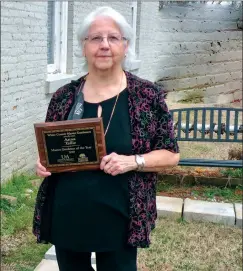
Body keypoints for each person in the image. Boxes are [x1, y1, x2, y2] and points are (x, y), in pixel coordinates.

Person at [33, 6, 180, 271]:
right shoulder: (64, 96)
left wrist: (133, 161)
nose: (104, 45)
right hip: (68, 212)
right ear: (83, 46)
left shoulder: (148, 96)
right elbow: (52, 147)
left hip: (121, 217)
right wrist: (44, 163)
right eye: (95, 38)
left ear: (126, 46)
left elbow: (171, 154)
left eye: (113, 38)